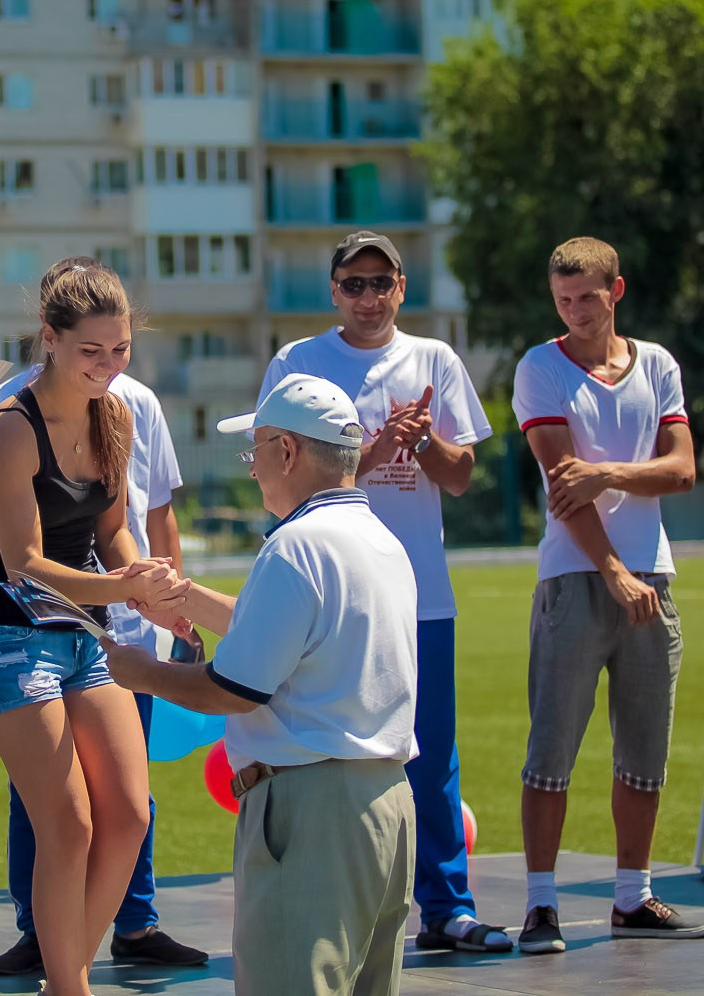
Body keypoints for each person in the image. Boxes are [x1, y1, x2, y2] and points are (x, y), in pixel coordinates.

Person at [102, 373, 418, 996]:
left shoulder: (296, 546)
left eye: (256, 451)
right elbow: (292, 631)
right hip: (385, 802)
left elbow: (234, 689)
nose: (253, 469)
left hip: (311, 810)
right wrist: (184, 595)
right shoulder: (381, 541)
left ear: (289, 451)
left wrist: (140, 672)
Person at [254, 230, 508, 953]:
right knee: (331, 752)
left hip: (419, 592)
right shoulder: (298, 363)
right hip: (326, 593)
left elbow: (459, 476)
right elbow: (283, 478)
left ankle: (448, 906)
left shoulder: (434, 360)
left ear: (402, 286)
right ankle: (335, 899)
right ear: (333, 290)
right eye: (353, 283)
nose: (368, 297)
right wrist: (376, 445)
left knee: (432, 752)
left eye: (381, 282)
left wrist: (421, 441)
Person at [0, 258, 206, 978]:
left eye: (120, 349)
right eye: (90, 350)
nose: (107, 365)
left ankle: (66, 977)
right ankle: (68, 985)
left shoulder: (116, 414)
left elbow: (113, 535)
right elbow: (23, 562)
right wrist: (123, 590)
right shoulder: (11, 425)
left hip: (81, 635)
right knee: (67, 827)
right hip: (6, 637)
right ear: (50, 337)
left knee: (129, 814)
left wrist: (147, 578)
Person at [510, 236, 704, 953]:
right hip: (574, 577)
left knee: (644, 751)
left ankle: (634, 894)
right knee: (551, 748)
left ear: (616, 290)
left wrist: (614, 474)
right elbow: (566, 487)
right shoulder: (539, 367)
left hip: (652, 576)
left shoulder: (656, 364)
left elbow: (682, 470)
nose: (574, 311)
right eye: (562, 300)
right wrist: (613, 569)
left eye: (586, 298)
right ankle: (540, 905)